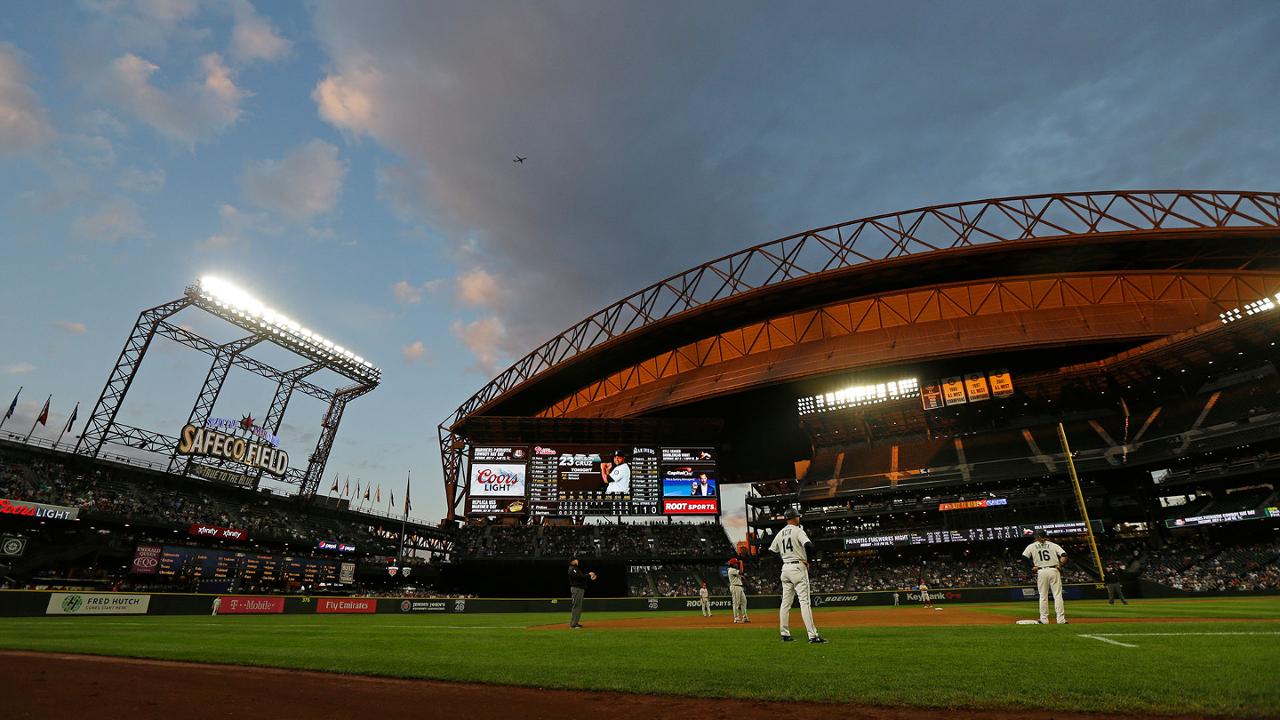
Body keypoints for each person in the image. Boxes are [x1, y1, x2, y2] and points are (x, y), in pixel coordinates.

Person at [768, 507, 826, 643]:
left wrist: (783, 560)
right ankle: (813, 636)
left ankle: (785, 634)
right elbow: (809, 546)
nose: (799, 518)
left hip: (785, 569)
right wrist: (809, 562)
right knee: (804, 603)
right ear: (794, 518)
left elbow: (771, 551)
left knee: (785, 603)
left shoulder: (780, 533)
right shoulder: (798, 530)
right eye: (798, 516)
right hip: (798, 567)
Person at [1022, 528, 1068, 624]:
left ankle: (1044, 619)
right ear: (1046, 536)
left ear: (1036, 537)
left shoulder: (1032, 546)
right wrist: (1060, 564)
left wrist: (1032, 566)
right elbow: (1064, 555)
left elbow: (1024, 557)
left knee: (1043, 596)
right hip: (1053, 570)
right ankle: (1061, 620)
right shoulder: (1053, 545)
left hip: (1041, 571)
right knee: (1058, 595)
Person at [567, 557, 597, 629]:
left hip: (578, 588)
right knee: (577, 606)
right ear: (572, 561)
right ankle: (574, 624)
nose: (577, 561)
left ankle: (575, 623)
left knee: (578, 606)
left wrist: (589, 577)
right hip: (577, 589)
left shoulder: (575, 568)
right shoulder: (573, 568)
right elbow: (580, 577)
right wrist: (589, 574)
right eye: (575, 560)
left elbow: (581, 578)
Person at [728, 558, 750, 623]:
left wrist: (742, 576)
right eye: (736, 563)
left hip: (739, 587)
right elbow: (741, 571)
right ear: (733, 564)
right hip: (735, 587)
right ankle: (736, 618)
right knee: (736, 603)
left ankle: (744, 617)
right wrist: (741, 563)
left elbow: (740, 574)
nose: (736, 564)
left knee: (744, 601)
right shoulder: (731, 570)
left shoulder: (734, 570)